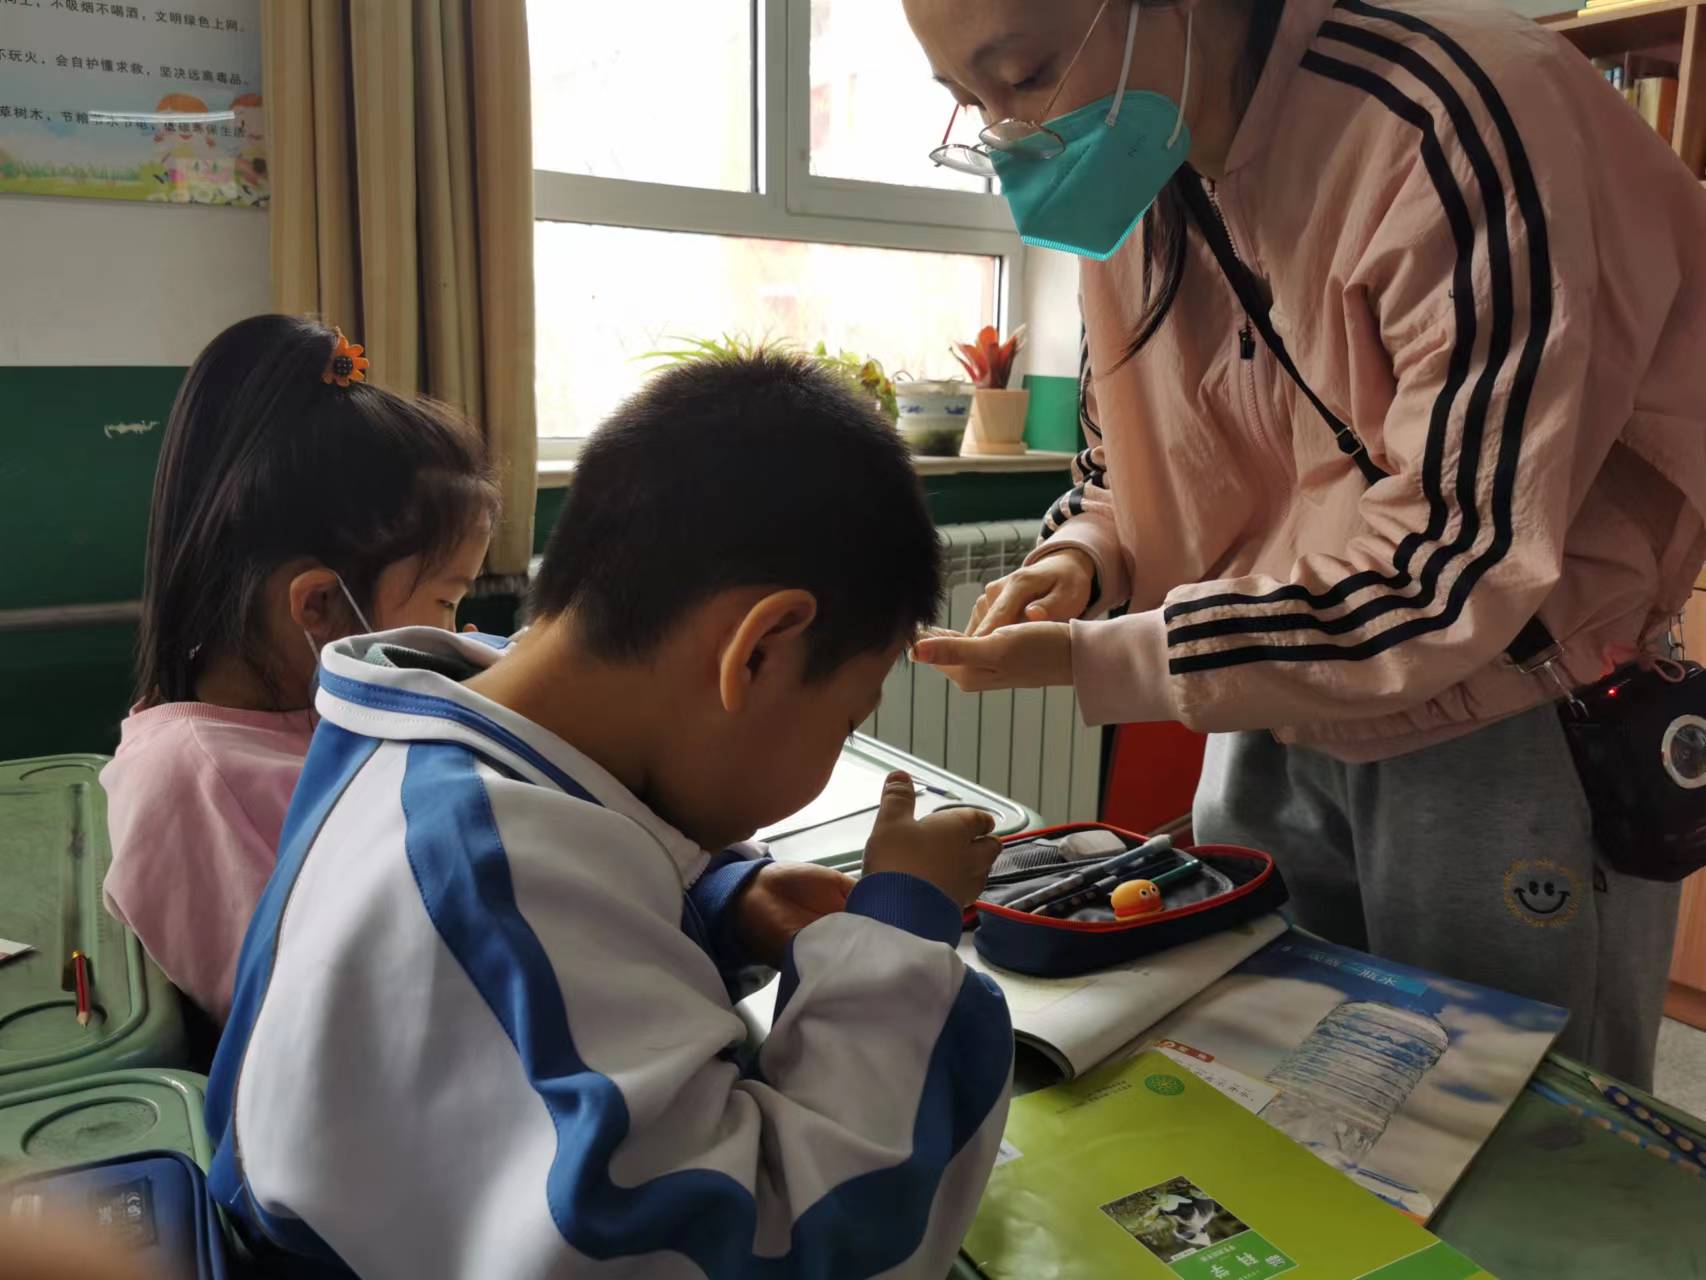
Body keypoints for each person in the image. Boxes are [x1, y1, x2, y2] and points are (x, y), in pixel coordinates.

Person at [906, 0, 1706, 1087]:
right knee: (1281, 1077)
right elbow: (1123, 464)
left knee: (1513, 1111)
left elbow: (1456, 563)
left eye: (1026, 74)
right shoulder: (1138, 170)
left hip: (1502, 712)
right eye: (967, 101)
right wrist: (1077, 561)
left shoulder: (1452, 114)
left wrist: (1106, 655)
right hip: (1271, 698)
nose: (1010, 136)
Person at [204, 353, 1014, 1279]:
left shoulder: (436, 738)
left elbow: (582, 885)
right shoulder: (494, 878)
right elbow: (785, 1248)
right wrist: (902, 932)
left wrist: (723, 898)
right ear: (756, 651)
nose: (837, 747)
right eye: (846, 721)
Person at [101, 314, 497, 1022]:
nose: (453, 632)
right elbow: (313, 1024)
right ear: (318, 605)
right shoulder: (199, 782)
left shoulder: (312, 705)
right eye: (445, 601)